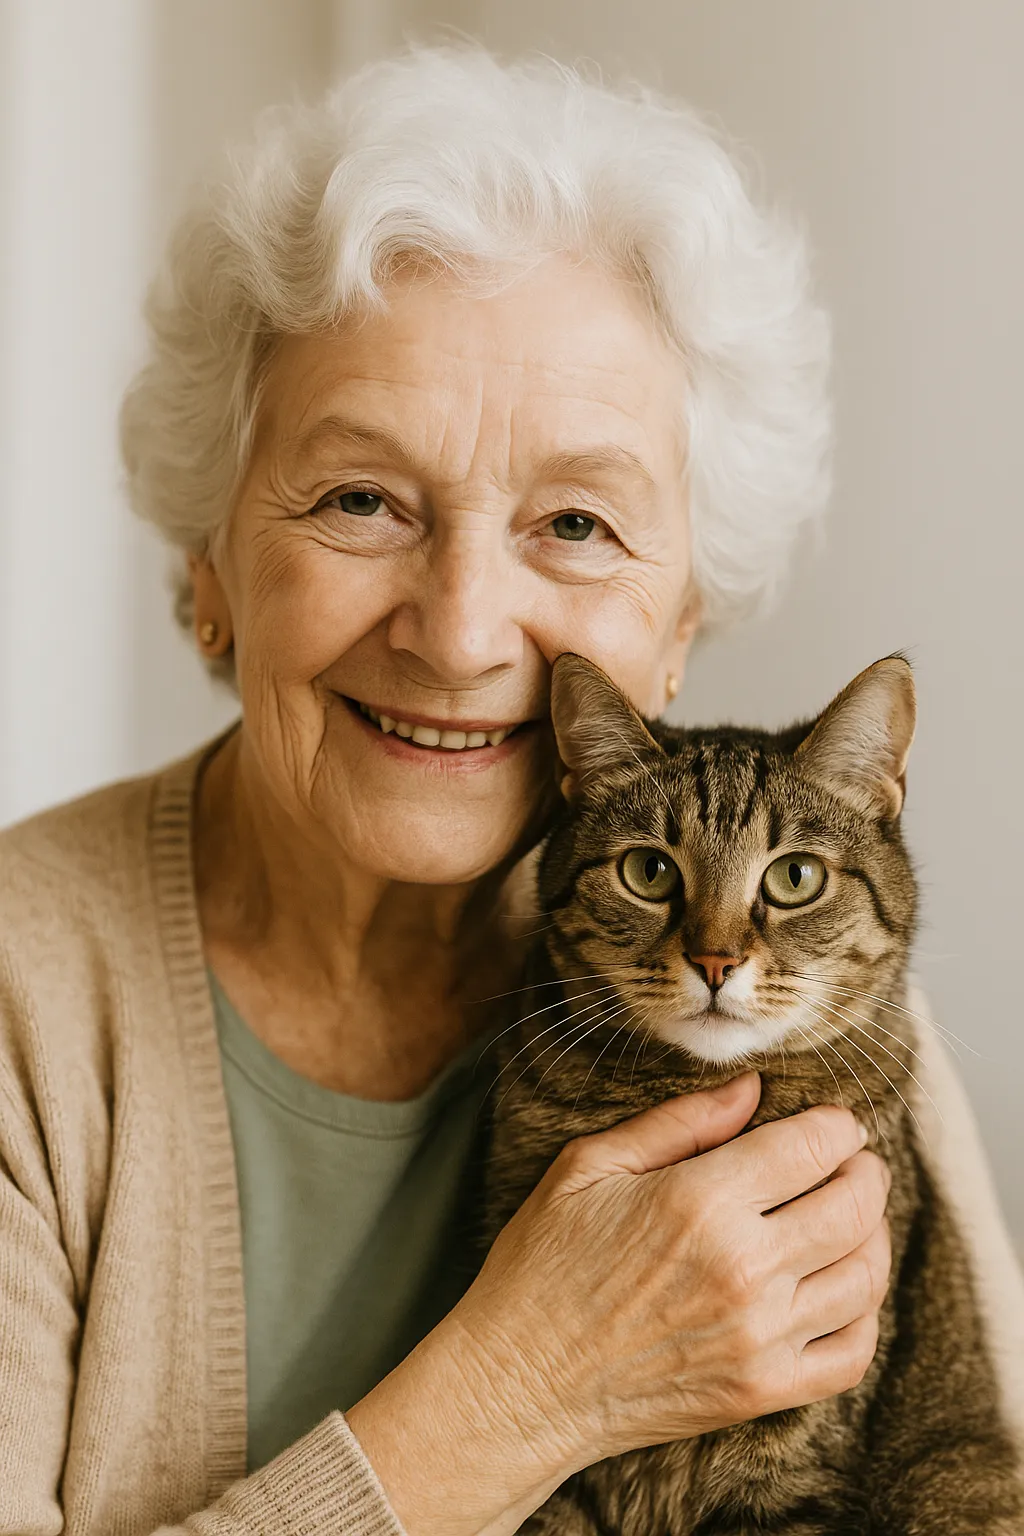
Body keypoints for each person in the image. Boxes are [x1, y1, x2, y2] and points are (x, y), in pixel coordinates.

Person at [1, 44, 1020, 1536]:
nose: (465, 631)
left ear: (679, 629)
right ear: (209, 566)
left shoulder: (830, 1008)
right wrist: (521, 1394)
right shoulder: (24, 1002)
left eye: (578, 521)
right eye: (361, 499)